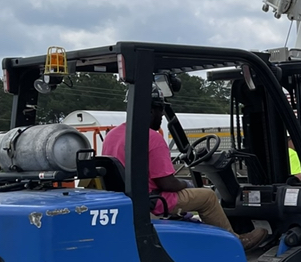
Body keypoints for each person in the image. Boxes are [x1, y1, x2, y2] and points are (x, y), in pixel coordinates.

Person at [102, 100, 268, 251]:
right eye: (161, 111)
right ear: (151, 110)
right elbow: (166, 183)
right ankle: (237, 242)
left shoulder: (112, 135)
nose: (161, 118)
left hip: (129, 198)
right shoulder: (151, 138)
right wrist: (184, 184)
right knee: (208, 197)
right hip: (154, 200)